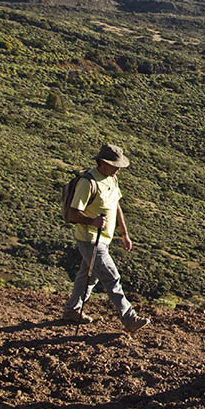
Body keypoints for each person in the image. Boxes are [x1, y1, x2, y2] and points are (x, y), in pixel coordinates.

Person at [62, 143, 150, 334]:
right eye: (114, 164)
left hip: (104, 238)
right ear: (102, 163)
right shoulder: (88, 183)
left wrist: (124, 233)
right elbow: (73, 212)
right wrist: (92, 221)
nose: (118, 168)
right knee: (111, 276)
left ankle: (71, 310)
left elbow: (116, 206)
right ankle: (129, 317)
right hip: (90, 239)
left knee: (88, 276)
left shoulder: (112, 179)